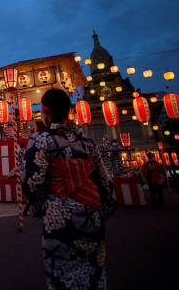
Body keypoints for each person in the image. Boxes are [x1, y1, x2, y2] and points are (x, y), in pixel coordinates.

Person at [22, 88, 116, 289]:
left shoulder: (40, 140)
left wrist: (42, 209)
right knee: (94, 272)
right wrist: (99, 210)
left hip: (59, 216)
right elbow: (106, 181)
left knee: (61, 274)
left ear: (46, 109)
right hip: (92, 214)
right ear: (68, 110)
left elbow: (32, 182)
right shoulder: (88, 141)